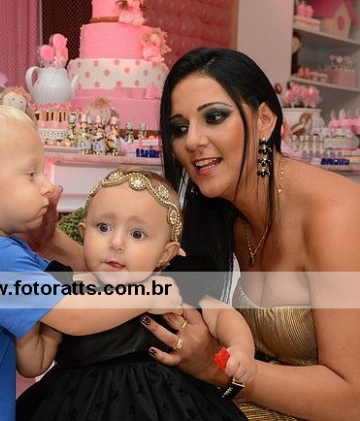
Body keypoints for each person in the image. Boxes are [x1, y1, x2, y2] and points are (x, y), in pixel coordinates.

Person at [27, 48, 360, 420]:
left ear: (264, 120)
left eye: (214, 117)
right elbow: (135, 276)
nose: (192, 141)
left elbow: (353, 400)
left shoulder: (335, 216)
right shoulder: (224, 212)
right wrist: (51, 243)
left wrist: (216, 369)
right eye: (180, 128)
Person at [0, 103, 182, 421]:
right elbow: (75, 316)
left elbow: (34, 361)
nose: (47, 186)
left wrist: (61, 302)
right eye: (31, 174)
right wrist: (148, 294)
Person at [17, 167, 254, 421]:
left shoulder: (171, 286)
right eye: (104, 227)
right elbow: (34, 363)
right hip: (76, 404)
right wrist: (25, 316)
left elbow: (222, 314)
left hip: (167, 405)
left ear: (165, 253)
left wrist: (241, 350)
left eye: (137, 234)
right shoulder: (71, 289)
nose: (116, 243)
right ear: (84, 234)